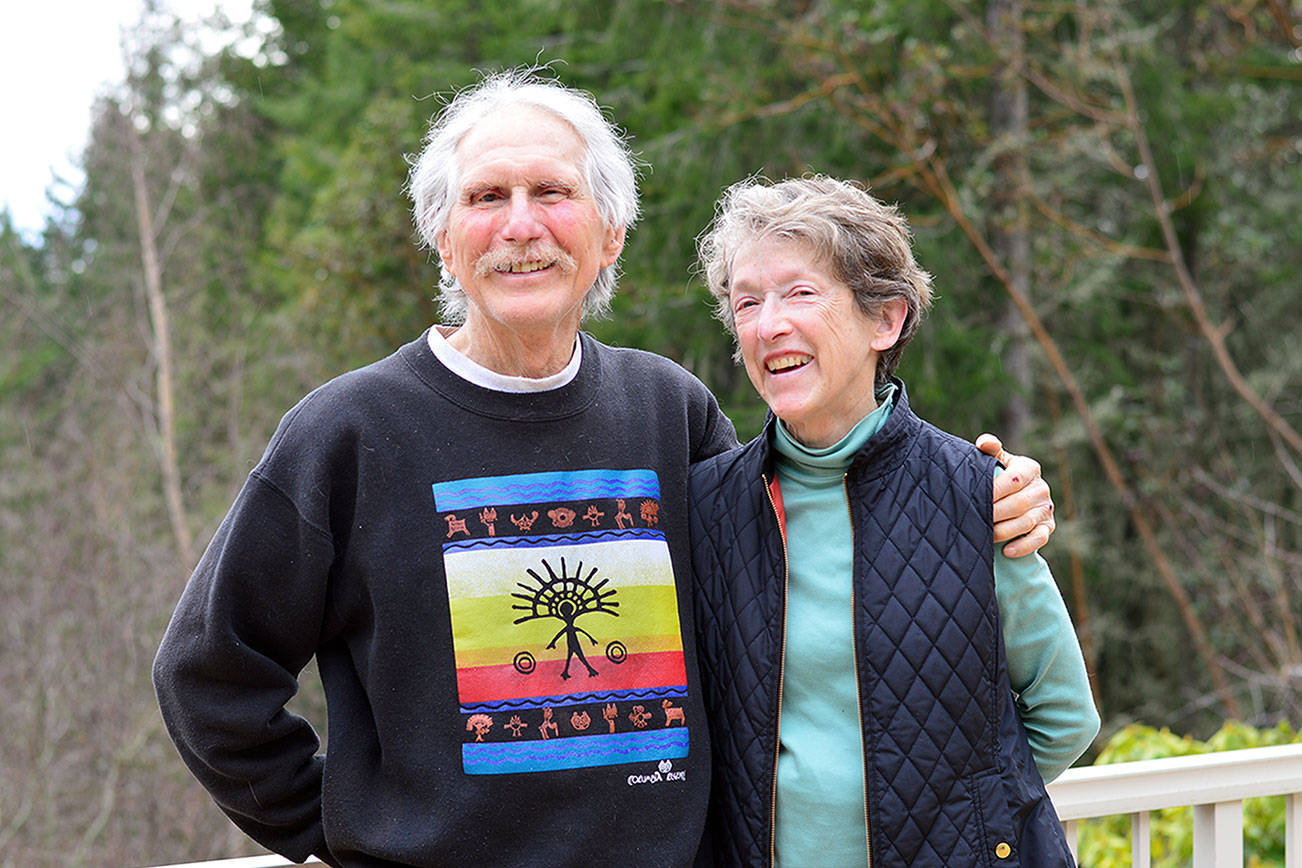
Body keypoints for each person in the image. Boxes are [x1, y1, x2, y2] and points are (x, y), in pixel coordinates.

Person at [153, 71, 1056, 867]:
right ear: (443, 240)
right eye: (484, 198)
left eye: (552, 191)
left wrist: (984, 497)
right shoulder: (345, 433)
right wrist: (348, 828)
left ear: (609, 235)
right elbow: (208, 672)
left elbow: (804, 546)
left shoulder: (668, 409)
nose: (520, 226)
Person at [688, 176, 1098, 867]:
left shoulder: (980, 495)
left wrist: (965, 830)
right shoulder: (708, 507)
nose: (766, 325)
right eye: (746, 302)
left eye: (800, 293)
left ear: (886, 320)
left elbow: (1064, 715)